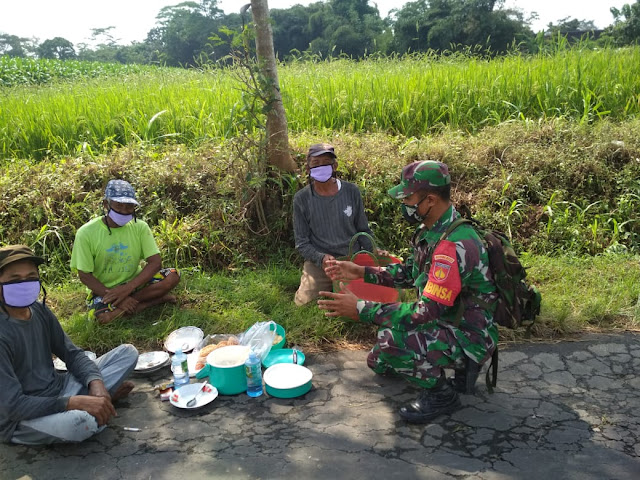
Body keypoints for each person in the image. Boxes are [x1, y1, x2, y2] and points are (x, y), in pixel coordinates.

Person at [318, 160, 499, 423]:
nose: (404, 202)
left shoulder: (452, 246)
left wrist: (361, 309)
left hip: (468, 333)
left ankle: (442, 393)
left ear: (431, 200)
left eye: (409, 197)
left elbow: (424, 313)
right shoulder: (430, 231)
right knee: (377, 360)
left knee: (391, 338)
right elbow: (408, 273)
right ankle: (438, 364)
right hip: (447, 319)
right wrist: (359, 272)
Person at [0, 244, 138, 445]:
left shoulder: (39, 311)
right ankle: (95, 404)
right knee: (81, 422)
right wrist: (72, 403)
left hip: (61, 388)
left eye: (31, 277)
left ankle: (98, 400)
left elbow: (72, 355)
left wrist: (97, 385)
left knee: (128, 353)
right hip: (22, 418)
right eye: (14, 280)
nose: (24, 283)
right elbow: (13, 406)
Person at [70, 179, 180, 324]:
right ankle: (152, 301)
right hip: (105, 291)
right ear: (105, 204)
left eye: (129, 207)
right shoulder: (86, 233)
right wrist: (115, 296)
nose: (124, 211)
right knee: (99, 318)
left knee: (172, 276)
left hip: (136, 283)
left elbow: (155, 263)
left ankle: (131, 304)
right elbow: (84, 275)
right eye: (119, 205)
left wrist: (127, 289)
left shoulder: (140, 227)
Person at [293, 143, 375, 306]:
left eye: (326, 162)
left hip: (352, 258)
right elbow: (302, 243)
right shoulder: (301, 199)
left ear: (334, 166)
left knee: (362, 302)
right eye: (315, 164)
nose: (321, 167)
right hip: (321, 263)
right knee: (304, 303)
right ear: (308, 168)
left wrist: (372, 252)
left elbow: (362, 229)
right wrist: (321, 258)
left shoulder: (351, 191)